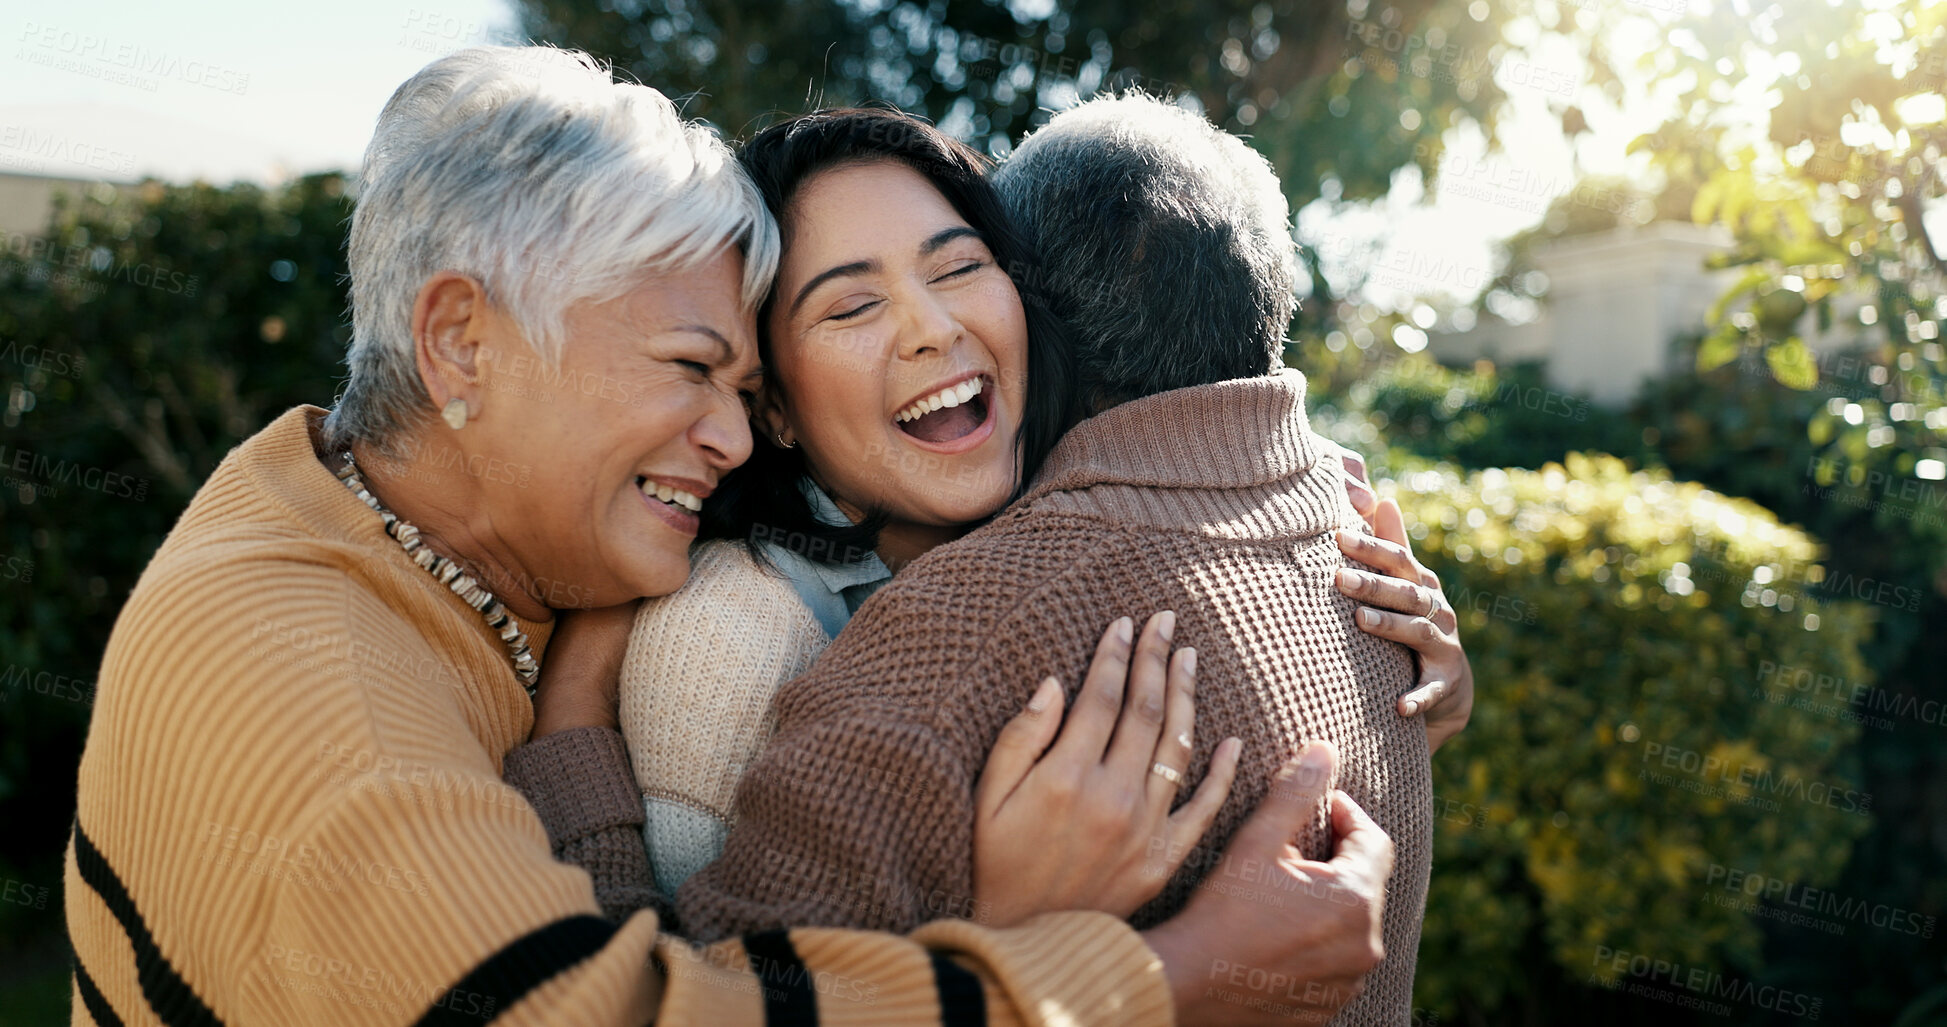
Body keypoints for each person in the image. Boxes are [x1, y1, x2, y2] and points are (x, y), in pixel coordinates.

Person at [63, 47, 1398, 1027]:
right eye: (692, 368)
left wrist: (1325, 542)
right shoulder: (321, 699)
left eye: (737, 384)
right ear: (461, 341)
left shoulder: (415, 533)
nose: (730, 432)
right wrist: (1137, 969)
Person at [669, 94, 1469, 1027]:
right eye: (850, 303)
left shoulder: (970, 628)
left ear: (1032, 301)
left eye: (961, 265)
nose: (929, 328)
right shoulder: (727, 636)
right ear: (771, 403)